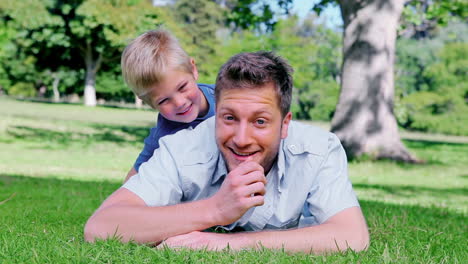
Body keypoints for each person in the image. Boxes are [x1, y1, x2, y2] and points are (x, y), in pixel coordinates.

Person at [85, 51, 369, 253]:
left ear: (284, 124)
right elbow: (101, 227)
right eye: (229, 118)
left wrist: (226, 246)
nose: (242, 139)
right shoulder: (180, 148)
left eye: (260, 121)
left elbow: (352, 236)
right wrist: (215, 209)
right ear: (215, 113)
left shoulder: (319, 150)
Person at [121, 29, 216, 182]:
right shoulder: (164, 135)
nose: (179, 103)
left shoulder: (227, 97)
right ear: (149, 103)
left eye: (182, 87)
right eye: (163, 100)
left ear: (193, 69)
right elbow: (133, 179)